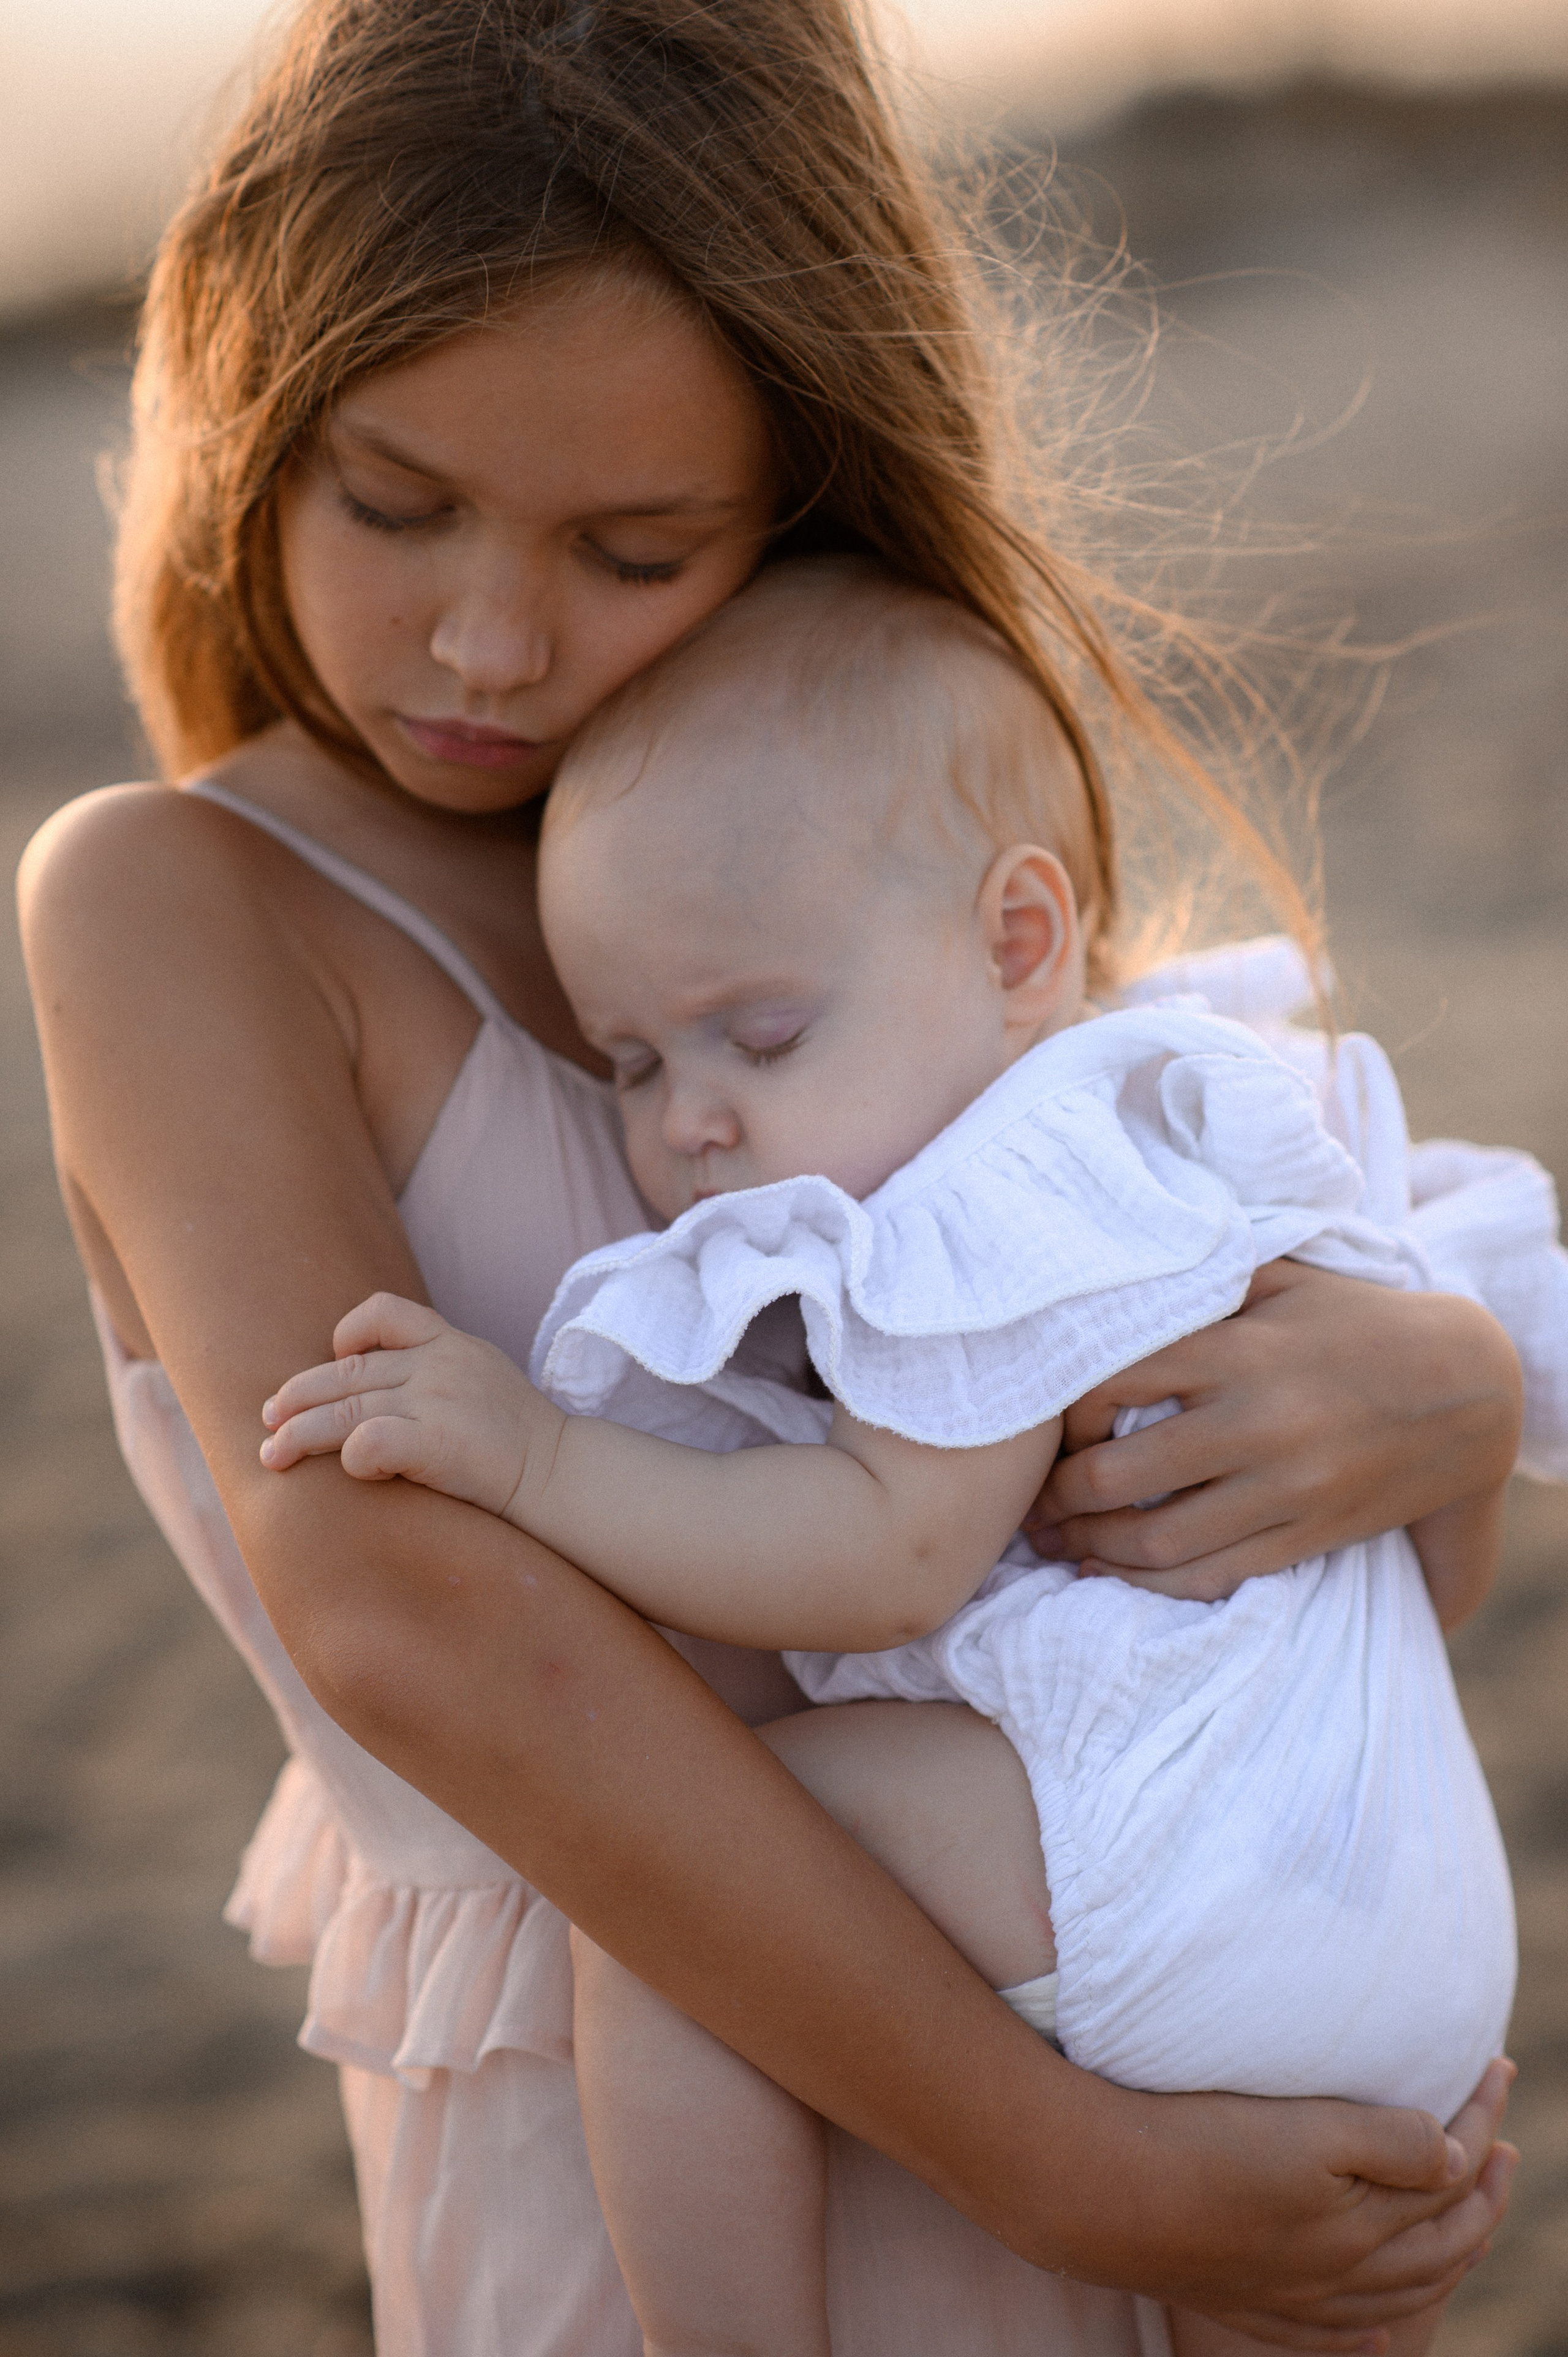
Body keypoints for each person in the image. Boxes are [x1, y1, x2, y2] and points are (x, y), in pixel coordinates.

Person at [17, 0, 1543, 2349]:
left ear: (804, 490)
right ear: (243, 415)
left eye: (637, 547)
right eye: (393, 502)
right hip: (680, 2152)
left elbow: (1214, 1501)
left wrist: (1436, 1386)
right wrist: (1072, 2169)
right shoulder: (175, 911)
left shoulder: (842, 859)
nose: (493, 641)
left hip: (1096, 2011)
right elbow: (411, 1617)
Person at [260, 557, 1541, 2356]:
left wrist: (539, 1463)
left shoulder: (1003, 1191)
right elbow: (1442, 1581)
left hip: (1184, 1872)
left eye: (760, 1033)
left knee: (692, 1907)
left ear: (1018, 943)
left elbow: (887, 1555)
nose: (690, 1118)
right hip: (1400, 1915)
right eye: (627, 1060)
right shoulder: (1203, 1119)